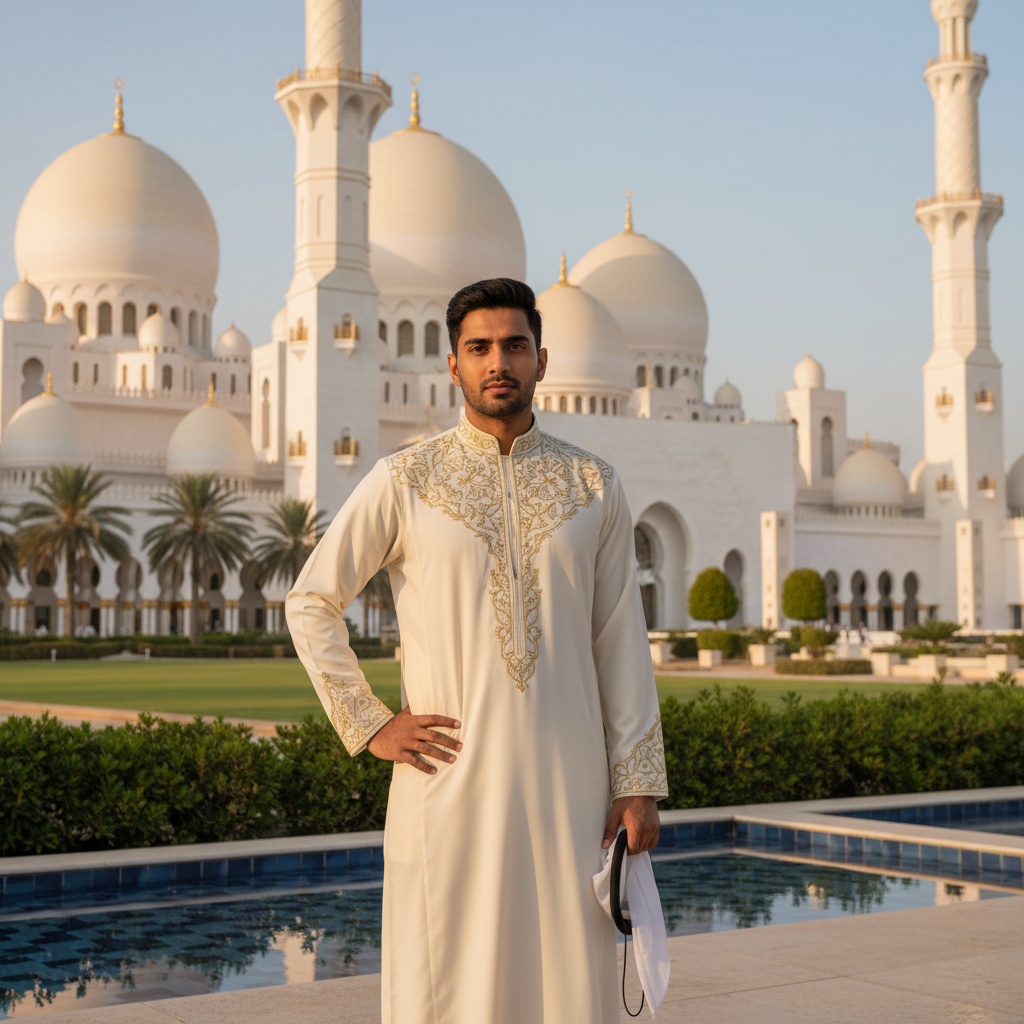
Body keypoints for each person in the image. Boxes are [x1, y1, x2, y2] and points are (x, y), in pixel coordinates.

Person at [287, 278, 667, 1024]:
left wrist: (638, 781)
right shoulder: (406, 480)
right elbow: (310, 601)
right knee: (448, 980)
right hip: (448, 787)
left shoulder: (594, 485)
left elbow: (619, 637)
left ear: (543, 359)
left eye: (514, 346)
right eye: (480, 348)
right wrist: (368, 722)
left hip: (573, 789)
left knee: (568, 977)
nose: (500, 362)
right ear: (453, 367)